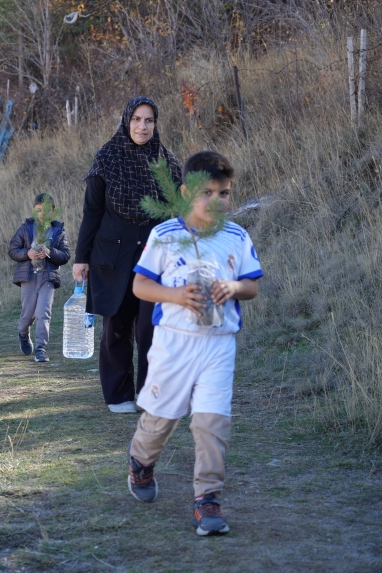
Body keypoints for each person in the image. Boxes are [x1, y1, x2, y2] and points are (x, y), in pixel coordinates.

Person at [125, 151, 263, 536]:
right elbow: (140, 286)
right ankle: (140, 461)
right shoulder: (165, 235)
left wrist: (234, 287)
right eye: (208, 193)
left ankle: (208, 501)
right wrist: (176, 296)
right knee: (161, 420)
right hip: (174, 345)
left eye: (225, 193)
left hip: (219, 345)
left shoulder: (237, 236)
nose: (217, 201)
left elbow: (251, 285)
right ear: (185, 192)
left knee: (210, 423)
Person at [73, 96, 182, 414]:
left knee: (152, 327)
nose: (142, 126)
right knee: (116, 326)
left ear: (155, 124)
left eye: (149, 120)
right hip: (112, 256)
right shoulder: (107, 157)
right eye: (136, 119)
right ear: (126, 120)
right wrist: (81, 258)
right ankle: (118, 395)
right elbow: (91, 212)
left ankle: (152, 394)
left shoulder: (167, 162)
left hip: (154, 258)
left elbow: (179, 213)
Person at [7, 193, 71, 363]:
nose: (42, 214)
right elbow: (13, 250)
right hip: (28, 277)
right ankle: (23, 333)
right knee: (28, 315)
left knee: (43, 313)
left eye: (46, 210)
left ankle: (40, 348)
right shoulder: (25, 229)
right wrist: (27, 253)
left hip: (47, 278)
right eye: (38, 210)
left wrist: (50, 252)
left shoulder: (59, 232)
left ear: (53, 211)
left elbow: (65, 255)